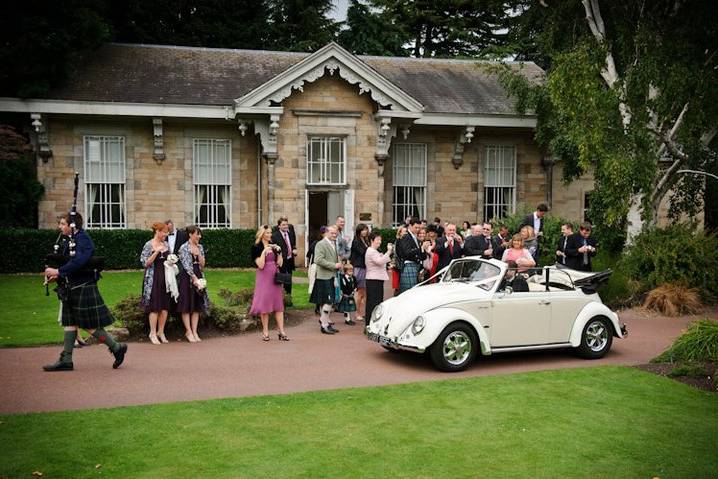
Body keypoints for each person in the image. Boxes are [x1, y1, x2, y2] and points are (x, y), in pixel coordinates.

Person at [43, 213, 128, 371]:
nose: (60, 227)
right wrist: (56, 277)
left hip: (83, 286)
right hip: (69, 287)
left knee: (88, 325)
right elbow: (66, 261)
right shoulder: (66, 240)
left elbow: (79, 261)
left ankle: (117, 347)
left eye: (63, 224)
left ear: (72, 225)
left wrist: (58, 271)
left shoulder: (83, 239)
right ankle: (66, 360)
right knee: (69, 323)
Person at [250, 225, 289, 341]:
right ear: (262, 234)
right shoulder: (256, 247)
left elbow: (280, 264)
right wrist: (264, 252)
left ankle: (281, 331)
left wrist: (280, 252)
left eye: (270, 233)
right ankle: (265, 332)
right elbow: (260, 265)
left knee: (278, 305)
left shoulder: (274, 245)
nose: (270, 235)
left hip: (274, 277)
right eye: (267, 233)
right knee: (265, 305)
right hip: (263, 278)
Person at [140, 222, 172, 345]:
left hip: (166, 278)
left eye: (167, 232)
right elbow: (144, 263)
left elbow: (169, 260)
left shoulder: (166, 244)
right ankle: (152, 333)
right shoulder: (148, 244)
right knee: (154, 307)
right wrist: (156, 252)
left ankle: (161, 332)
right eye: (164, 232)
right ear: (157, 231)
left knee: (164, 308)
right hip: (153, 278)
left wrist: (171, 261)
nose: (166, 234)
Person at [177, 225, 209, 343]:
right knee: (186, 304)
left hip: (199, 274)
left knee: (197, 305)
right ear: (190, 234)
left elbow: (203, 265)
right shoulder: (183, 248)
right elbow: (186, 265)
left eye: (200, 234)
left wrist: (199, 253)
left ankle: (195, 331)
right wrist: (194, 278)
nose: (199, 236)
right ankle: (188, 331)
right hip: (187, 277)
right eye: (197, 234)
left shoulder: (200, 246)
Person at [312, 226, 342, 334]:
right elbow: (318, 260)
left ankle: (325, 323)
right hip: (323, 276)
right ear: (326, 233)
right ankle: (324, 325)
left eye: (336, 233)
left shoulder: (333, 243)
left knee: (329, 301)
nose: (334, 235)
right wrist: (334, 265)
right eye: (332, 233)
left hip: (331, 276)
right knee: (328, 301)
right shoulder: (321, 244)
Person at [365, 231, 393, 322]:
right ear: (372, 240)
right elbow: (380, 261)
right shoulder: (371, 251)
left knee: (376, 302)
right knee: (373, 303)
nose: (380, 242)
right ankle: (370, 323)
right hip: (373, 280)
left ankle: (372, 323)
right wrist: (388, 251)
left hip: (376, 279)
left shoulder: (374, 251)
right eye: (378, 240)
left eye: (380, 240)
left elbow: (380, 261)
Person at [396, 219, 427, 293]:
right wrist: (420, 249)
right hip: (409, 266)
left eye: (419, 228)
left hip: (416, 266)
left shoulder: (415, 238)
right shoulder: (406, 237)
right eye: (416, 227)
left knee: (413, 291)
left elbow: (422, 256)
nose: (417, 230)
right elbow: (407, 252)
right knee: (408, 292)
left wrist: (423, 250)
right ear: (410, 225)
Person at [271, 217, 297, 301]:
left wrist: (294, 249)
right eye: (283, 225)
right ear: (279, 226)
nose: (286, 226)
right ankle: (280, 299)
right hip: (281, 261)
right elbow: (273, 248)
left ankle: (288, 299)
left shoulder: (290, 233)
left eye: (286, 224)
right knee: (281, 279)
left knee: (289, 279)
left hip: (289, 260)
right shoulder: (275, 236)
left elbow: (293, 244)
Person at [349, 223, 370, 322]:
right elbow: (363, 252)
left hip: (365, 267)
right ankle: (357, 313)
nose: (365, 232)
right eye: (363, 230)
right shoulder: (356, 241)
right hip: (359, 267)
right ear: (359, 231)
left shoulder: (366, 240)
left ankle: (362, 312)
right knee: (360, 292)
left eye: (366, 230)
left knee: (364, 292)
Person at [390, 225, 407, 294]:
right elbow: (400, 254)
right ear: (400, 233)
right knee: (399, 286)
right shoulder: (399, 241)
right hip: (399, 266)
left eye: (406, 232)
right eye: (404, 232)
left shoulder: (401, 241)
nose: (406, 233)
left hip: (400, 265)